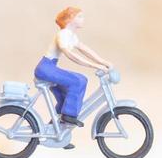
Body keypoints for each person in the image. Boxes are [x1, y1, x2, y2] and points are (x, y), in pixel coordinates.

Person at [35, 7, 111, 144]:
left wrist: (103, 62)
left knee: (67, 95)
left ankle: (58, 131)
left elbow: (85, 50)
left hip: (50, 67)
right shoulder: (63, 34)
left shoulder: (71, 35)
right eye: (80, 16)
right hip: (46, 68)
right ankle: (69, 116)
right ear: (70, 19)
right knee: (77, 81)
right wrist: (96, 66)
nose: (83, 19)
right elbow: (71, 56)